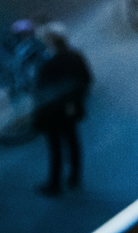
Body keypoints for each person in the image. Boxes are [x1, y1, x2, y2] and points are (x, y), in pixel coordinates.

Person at [31, 22, 92, 196]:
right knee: (72, 141)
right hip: (68, 110)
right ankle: (74, 177)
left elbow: (41, 88)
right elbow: (86, 79)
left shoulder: (49, 61)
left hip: (52, 112)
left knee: (56, 147)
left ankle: (55, 183)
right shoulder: (74, 56)